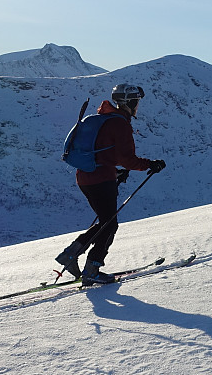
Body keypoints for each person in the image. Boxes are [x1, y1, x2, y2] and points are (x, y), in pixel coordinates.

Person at [55, 84, 166, 285]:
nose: (138, 106)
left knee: (106, 222)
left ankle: (71, 255)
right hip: (100, 179)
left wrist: (115, 172)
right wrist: (152, 165)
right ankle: (92, 269)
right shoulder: (120, 124)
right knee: (110, 224)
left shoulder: (103, 119)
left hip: (86, 177)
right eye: (137, 102)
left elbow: (104, 153)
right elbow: (128, 159)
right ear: (129, 103)